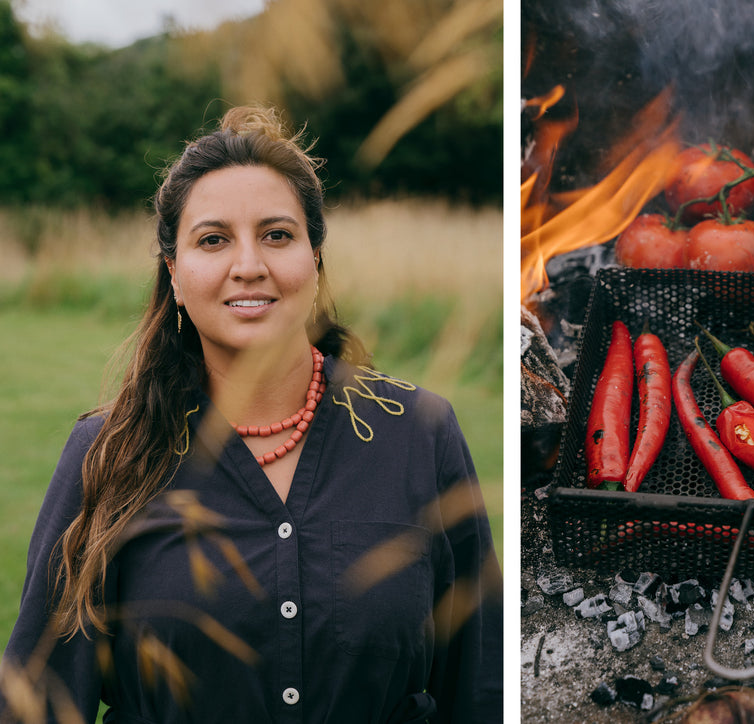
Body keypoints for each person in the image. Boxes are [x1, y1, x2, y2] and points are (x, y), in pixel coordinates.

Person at [0, 106, 503, 723]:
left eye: (277, 234)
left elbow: (481, 686)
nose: (249, 265)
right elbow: (39, 704)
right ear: (175, 276)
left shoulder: (420, 433)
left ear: (314, 260)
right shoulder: (107, 452)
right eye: (213, 240)